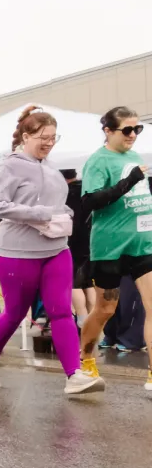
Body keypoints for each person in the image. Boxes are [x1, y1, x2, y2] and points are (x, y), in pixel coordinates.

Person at [0, 105, 104, 395]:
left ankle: (74, 375)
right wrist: (41, 214)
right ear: (26, 136)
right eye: (43, 137)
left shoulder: (50, 167)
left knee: (61, 312)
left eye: (53, 137)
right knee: (14, 313)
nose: (48, 142)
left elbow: (53, 206)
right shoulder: (10, 165)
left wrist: (62, 217)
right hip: (16, 252)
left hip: (56, 249)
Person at [78, 106, 152, 387]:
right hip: (110, 247)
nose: (133, 135)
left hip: (143, 244)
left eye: (137, 129)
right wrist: (128, 180)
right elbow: (90, 202)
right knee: (106, 309)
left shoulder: (135, 156)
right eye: (127, 130)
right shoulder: (98, 161)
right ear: (108, 131)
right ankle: (85, 360)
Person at [61, 169, 96, 334]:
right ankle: (92, 318)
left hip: (73, 241)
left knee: (73, 282)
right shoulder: (88, 190)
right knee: (88, 282)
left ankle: (82, 317)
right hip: (91, 240)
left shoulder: (68, 195)